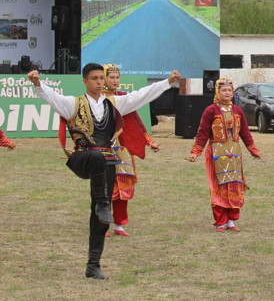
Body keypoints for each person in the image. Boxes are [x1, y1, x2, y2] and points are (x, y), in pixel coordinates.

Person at [27, 65, 179, 279]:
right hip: (82, 157)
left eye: (101, 78)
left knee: (98, 213)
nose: (99, 82)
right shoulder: (73, 104)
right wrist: (37, 83)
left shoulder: (115, 104)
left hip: (106, 161)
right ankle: (103, 204)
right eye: (94, 78)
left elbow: (141, 96)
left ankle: (93, 265)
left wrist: (167, 82)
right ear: (85, 81)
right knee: (99, 160)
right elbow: (51, 96)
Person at [187, 78, 262, 232]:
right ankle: (220, 221)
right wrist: (196, 152)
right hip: (216, 153)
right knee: (219, 186)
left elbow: (245, 133)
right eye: (224, 90)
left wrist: (253, 149)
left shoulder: (237, 110)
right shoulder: (210, 110)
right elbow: (202, 133)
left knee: (234, 185)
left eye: (229, 90)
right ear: (217, 92)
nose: (227, 93)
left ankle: (231, 221)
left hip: (234, 153)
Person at [100, 64, 162, 237]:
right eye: (111, 77)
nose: (115, 81)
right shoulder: (96, 99)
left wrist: (150, 142)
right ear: (104, 78)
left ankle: (120, 224)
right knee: (105, 187)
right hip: (104, 148)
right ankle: (103, 224)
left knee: (123, 186)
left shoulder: (124, 98)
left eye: (117, 78)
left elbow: (136, 121)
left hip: (122, 150)